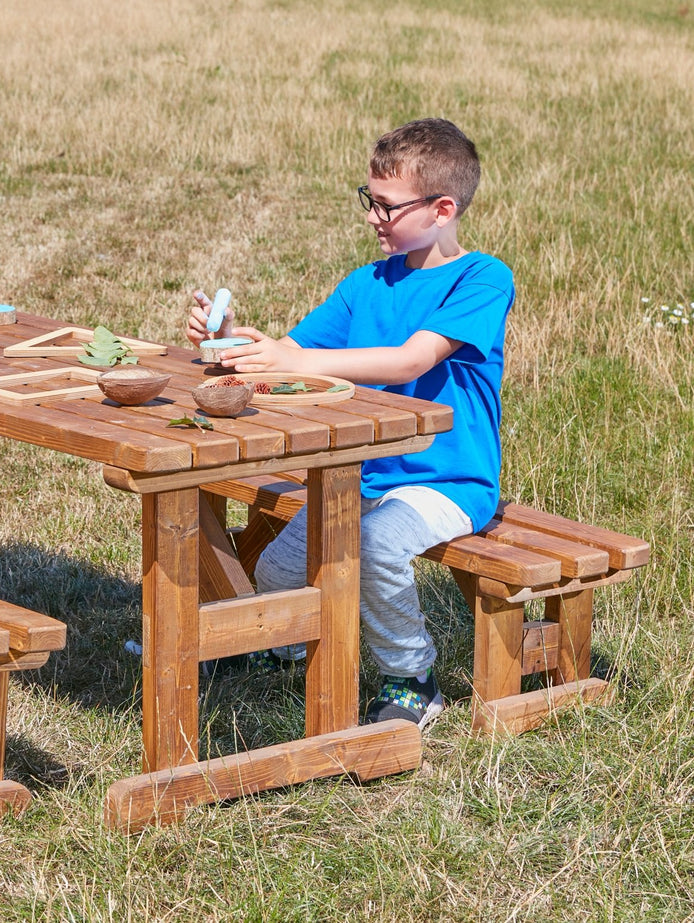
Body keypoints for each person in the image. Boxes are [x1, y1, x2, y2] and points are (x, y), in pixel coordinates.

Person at [187, 118, 514, 728]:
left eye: (386, 207)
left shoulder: (482, 279)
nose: (372, 218)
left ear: (443, 209)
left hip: (447, 480)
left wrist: (294, 358)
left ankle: (411, 676)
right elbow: (294, 355)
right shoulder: (366, 283)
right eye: (370, 201)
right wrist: (235, 344)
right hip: (362, 475)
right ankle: (284, 651)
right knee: (279, 567)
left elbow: (409, 360)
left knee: (375, 544)